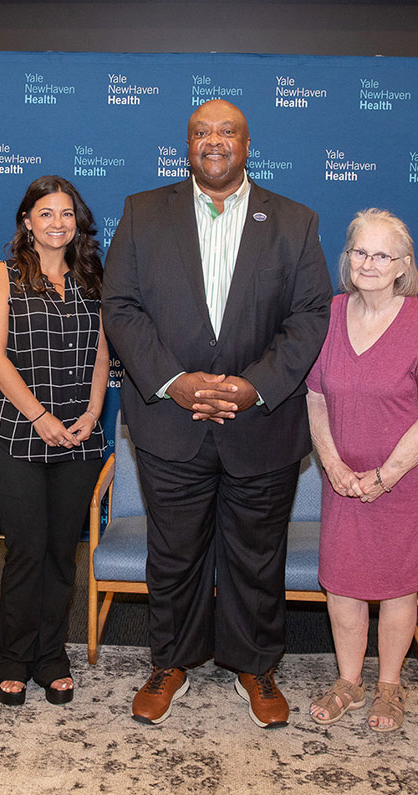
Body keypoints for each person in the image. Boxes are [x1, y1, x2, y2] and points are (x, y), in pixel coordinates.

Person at [101, 99, 331, 727]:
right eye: (200, 131)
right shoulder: (143, 212)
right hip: (169, 422)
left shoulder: (294, 221)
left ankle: (255, 665)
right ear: (187, 144)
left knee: (257, 554)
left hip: (261, 422)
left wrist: (253, 387)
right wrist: (174, 382)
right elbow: (119, 306)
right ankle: (171, 660)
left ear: (247, 143)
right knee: (173, 552)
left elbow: (311, 316)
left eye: (227, 130)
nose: (213, 141)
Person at [304, 209, 418, 731]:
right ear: (347, 258)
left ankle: (390, 687)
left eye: (381, 255)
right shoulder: (327, 314)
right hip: (343, 480)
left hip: (406, 480)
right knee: (343, 584)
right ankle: (348, 681)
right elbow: (315, 397)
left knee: (399, 587)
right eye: (359, 252)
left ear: (403, 265)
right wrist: (332, 464)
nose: (368, 263)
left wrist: (386, 475)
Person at [0, 176, 109, 706]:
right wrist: (39, 416)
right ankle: (11, 657)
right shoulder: (3, 276)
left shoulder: (93, 279)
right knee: (27, 552)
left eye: (67, 214)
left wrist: (94, 411)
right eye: (46, 213)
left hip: (79, 437)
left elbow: (103, 353)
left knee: (61, 554)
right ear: (27, 222)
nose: (58, 223)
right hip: (17, 437)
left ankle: (51, 656)